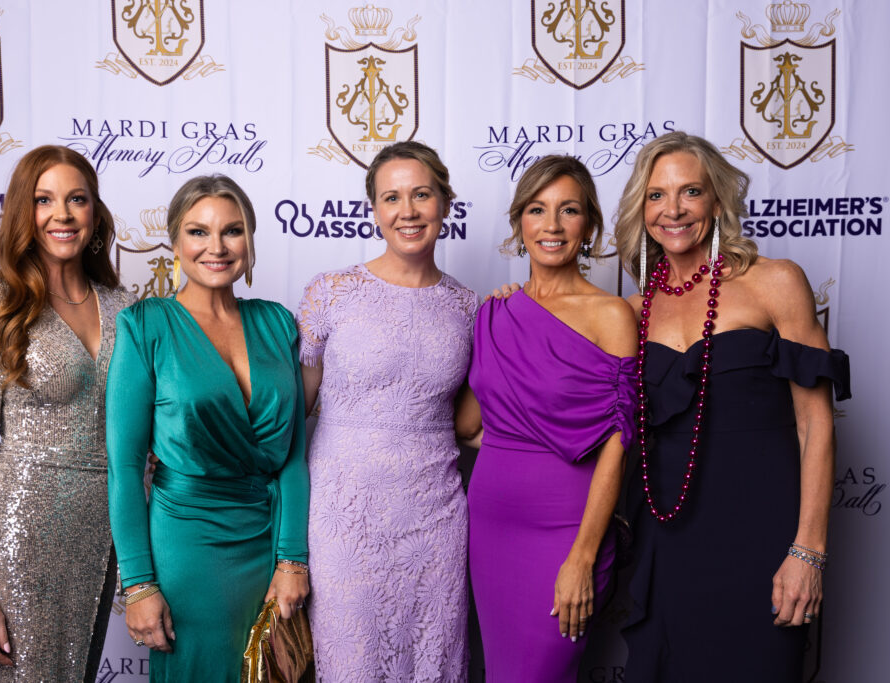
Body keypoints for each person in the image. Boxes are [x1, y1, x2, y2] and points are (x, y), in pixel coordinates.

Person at [613, 131, 850, 682]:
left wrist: (808, 552)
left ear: (717, 200)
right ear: (640, 209)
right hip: (666, 540)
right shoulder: (629, 311)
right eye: (656, 195)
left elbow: (816, 424)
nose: (672, 210)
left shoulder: (775, 283)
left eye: (690, 192)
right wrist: (509, 302)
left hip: (762, 540)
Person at [106, 174, 309, 681]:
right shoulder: (146, 325)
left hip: (270, 545)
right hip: (187, 546)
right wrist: (138, 584)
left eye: (232, 231)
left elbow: (293, 457)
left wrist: (292, 560)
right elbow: (125, 468)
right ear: (175, 242)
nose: (216, 247)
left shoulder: (278, 323)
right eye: (198, 232)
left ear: (250, 239)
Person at [0, 145, 131, 680]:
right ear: (21, 214)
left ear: (94, 213)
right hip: (23, 535)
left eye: (77, 199)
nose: (63, 214)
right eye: (44, 200)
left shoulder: (126, 308)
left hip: (103, 537)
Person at [297, 141, 475, 681]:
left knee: (434, 663)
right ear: (374, 209)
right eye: (391, 197)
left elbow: (472, 425)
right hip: (343, 519)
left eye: (422, 194)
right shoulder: (330, 293)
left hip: (437, 520)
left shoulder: (470, 307)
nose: (408, 210)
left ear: (445, 203)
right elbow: (292, 411)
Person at [456, 155, 638, 681]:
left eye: (569, 210)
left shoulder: (612, 314)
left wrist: (582, 557)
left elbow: (619, 442)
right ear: (519, 224)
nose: (552, 225)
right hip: (491, 524)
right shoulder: (494, 312)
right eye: (537, 209)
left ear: (590, 225)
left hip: (568, 530)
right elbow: (469, 425)